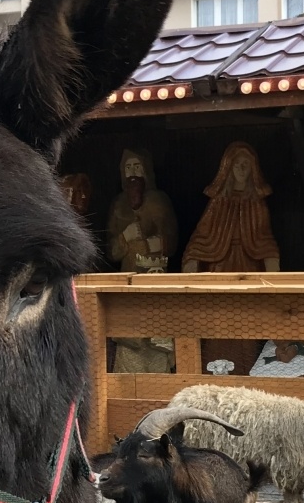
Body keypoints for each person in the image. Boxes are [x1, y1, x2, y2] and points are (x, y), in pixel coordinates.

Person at [184, 142, 280, 375]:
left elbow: (264, 240)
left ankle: (247, 371)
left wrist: (274, 271)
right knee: (218, 322)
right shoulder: (218, 203)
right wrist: (192, 261)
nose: (241, 168)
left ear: (252, 171)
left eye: (246, 165)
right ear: (228, 168)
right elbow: (202, 236)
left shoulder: (257, 204)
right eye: (237, 163)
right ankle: (213, 371)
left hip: (248, 269)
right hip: (220, 268)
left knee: (246, 325)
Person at [106, 149, 176, 274]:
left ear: (146, 170)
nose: (132, 173)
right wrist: (126, 236)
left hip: (155, 271)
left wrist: (156, 244)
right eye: (128, 168)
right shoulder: (118, 204)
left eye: (137, 167)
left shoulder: (159, 201)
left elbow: (172, 243)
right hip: (128, 273)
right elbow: (111, 252)